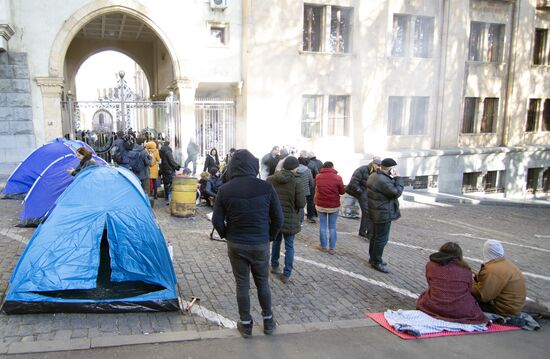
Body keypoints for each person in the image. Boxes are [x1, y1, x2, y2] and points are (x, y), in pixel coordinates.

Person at [212, 149, 283, 338]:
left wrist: (226, 234)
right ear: (254, 166)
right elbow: (279, 218)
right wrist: (269, 236)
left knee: (242, 284)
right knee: (263, 283)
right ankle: (268, 321)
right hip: (260, 243)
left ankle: (246, 324)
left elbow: (217, 220)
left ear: (233, 167)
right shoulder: (266, 187)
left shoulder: (225, 189)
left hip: (236, 243)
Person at [416, 242, 488, 324]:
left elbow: (430, 283)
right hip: (460, 309)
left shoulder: (430, 265)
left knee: (424, 296)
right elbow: (468, 289)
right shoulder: (466, 269)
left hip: (434, 306)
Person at [267, 156, 306, 283]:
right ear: (295, 168)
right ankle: (287, 273)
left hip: (275, 218)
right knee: (289, 246)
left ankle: (274, 265)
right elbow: (301, 203)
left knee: (276, 242)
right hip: (290, 218)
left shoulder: (271, 179)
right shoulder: (297, 182)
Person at [366, 158, 403, 273]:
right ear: (390, 169)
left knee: (375, 236)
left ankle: (373, 258)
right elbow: (396, 193)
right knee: (381, 238)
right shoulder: (383, 180)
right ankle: (376, 261)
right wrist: (398, 178)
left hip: (375, 211)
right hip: (383, 213)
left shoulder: (373, 175)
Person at [471, 240, 527, 317]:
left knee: (465, 301)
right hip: (514, 307)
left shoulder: (491, 269)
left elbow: (482, 296)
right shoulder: (507, 264)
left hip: (503, 310)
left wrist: (470, 282)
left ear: (486, 252)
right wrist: (476, 277)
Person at [314, 161, 346, 254]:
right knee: (332, 227)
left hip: (320, 204)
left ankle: (323, 246)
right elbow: (342, 191)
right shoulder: (338, 178)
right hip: (333, 205)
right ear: (332, 167)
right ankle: (332, 248)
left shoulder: (318, 176)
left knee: (322, 226)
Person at [347, 157, 382, 240]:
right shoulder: (362, 170)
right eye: (378, 165)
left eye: (380, 165)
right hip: (363, 193)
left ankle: (366, 232)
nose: (379, 167)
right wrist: (361, 192)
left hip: (371, 194)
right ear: (373, 164)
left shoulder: (378, 172)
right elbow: (353, 182)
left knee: (370, 213)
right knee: (367, 213)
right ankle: (364, 232)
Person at [159, 141, 180, 205]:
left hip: (164, 169)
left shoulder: (161, 151)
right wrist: (177, 166)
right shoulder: (168, 151)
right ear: (168, 145)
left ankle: (166, 197)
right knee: (171, 183)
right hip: (169, 169)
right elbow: (171, 161)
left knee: (166, 183)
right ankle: (170, 198)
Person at [296, 157, 314, 225]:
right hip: (304, 191)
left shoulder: (294, 169)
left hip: (295, 189)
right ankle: (300, 221)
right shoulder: (308, 170)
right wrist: (309, 188)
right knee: (301, 206)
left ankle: (295, 219)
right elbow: (311, 182)